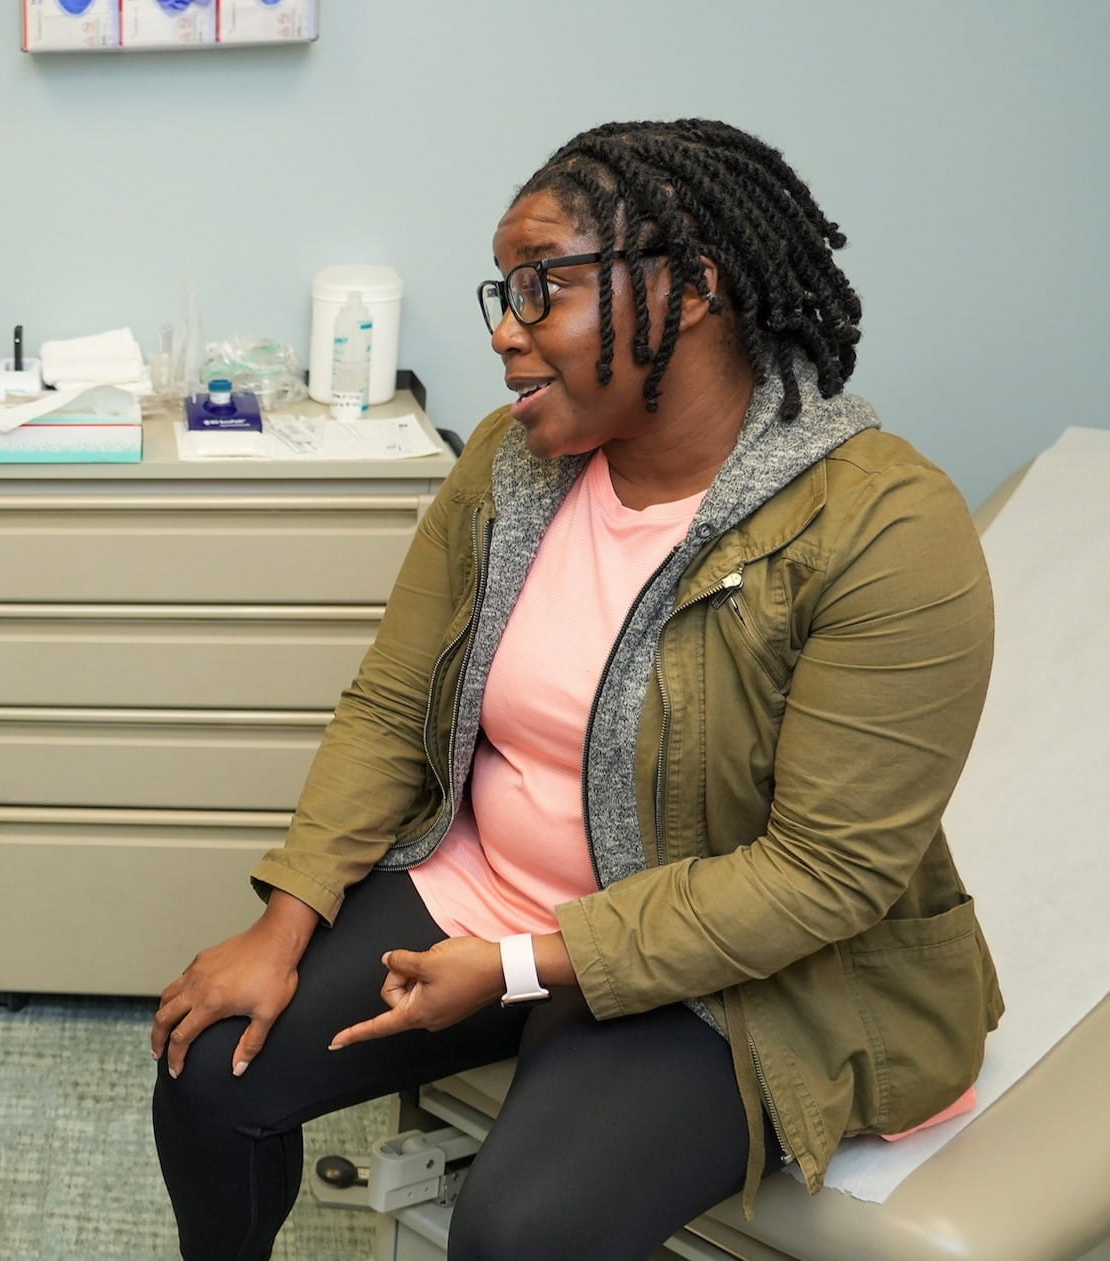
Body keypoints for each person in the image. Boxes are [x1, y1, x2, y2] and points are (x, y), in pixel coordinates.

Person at [150, 119, 1002, 1260]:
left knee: (520, 1231)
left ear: (690, 286)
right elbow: (395, 701)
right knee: (209, 1069)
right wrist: (285, 916)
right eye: (500, 294)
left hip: (742, 969)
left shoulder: (884, 526)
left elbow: (824, 873)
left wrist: (518, 969)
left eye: (542, 288)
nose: (506, 334)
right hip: (493, 890)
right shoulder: (510, 463)